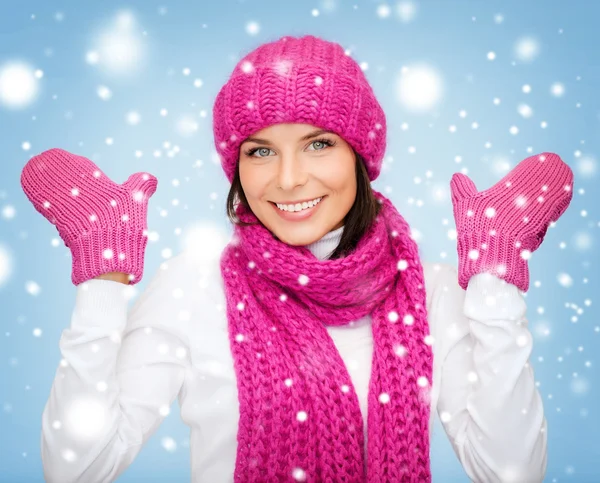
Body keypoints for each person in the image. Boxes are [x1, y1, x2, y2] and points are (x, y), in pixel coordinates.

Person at [20, 34, 573, 483]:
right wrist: (101, 280)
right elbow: (78, 470)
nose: (288, 179)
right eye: (260, 151)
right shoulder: (192, 287)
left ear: (361, 155)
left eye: (318, 143)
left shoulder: (432, 291)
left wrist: (495, 281)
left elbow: (512, 472)